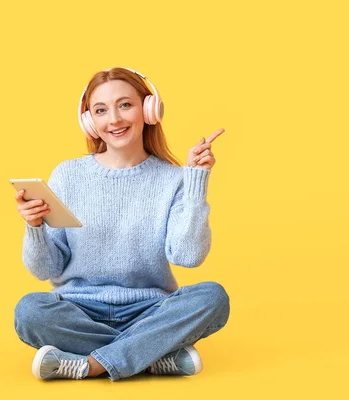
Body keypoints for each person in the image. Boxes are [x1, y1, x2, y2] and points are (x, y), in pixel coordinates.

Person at [13, 67, 230, 381]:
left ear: (148, 109)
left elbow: (188, 257)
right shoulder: (68, 175)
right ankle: (151, 355)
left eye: (125, 105)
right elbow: (45, 269)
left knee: (213, 297)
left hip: (152, 310)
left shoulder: (173, 179)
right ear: (90, 121)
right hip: (79, 309)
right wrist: (33, 227)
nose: (113, 119)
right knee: (29, 311)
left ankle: (92, 365)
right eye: (101, 110)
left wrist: (195, 179)